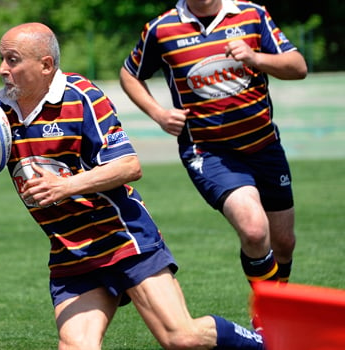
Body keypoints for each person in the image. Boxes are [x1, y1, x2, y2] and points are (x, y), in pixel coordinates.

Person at [0, 23, 266, 350]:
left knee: (182, 338)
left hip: (124, 239)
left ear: (46, 65)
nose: (2, 69)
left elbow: (129, 166)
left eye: (12, 60)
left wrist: (66, 186)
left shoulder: (82, 98)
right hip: (70, 251)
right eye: (1, 58)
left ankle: (267, 344)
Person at [120, 0, 307, 289]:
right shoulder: (162, 29)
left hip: (265, 146)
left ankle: (279, 310)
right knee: (255, 230)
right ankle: (266, 319)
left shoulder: (252, 14)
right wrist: (159, 113)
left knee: (284, 243)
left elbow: (297, 67)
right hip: (209, 153)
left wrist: (255, 58)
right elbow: (130, 73)